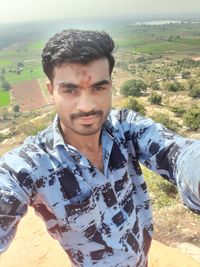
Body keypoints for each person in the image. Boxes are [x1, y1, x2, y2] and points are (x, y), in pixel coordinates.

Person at [0, 29, 199, 267]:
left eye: (98, 88)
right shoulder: (29, 164)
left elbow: (178, 152)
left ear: (111, 86)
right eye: (70, 90)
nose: (86, 106)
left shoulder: (126, 128)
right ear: (51, 91)